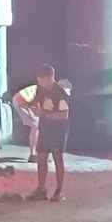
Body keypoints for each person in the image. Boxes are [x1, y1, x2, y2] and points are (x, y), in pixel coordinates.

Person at [11, 64, 72, 200]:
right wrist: (28, 106)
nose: (40, 83)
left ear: (50, 78)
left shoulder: (60, 93)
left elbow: (64, 115)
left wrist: (44, 115)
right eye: (39, 80)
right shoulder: (40, 90)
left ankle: (58, 192)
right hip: (45, 126)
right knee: (42, 157)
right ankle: (41, 189)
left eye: (42, 80)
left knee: (58, 158)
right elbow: (36, 104)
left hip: (58, 128)